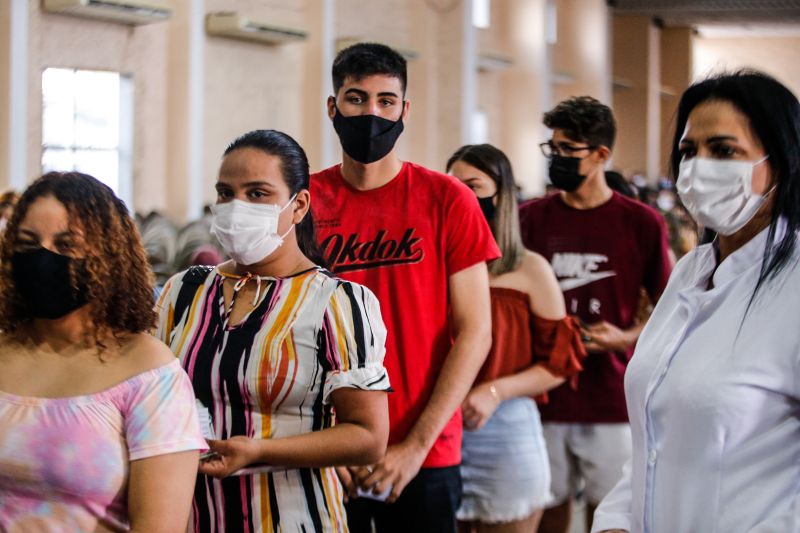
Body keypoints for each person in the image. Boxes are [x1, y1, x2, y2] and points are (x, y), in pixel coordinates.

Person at [593, 70, 800, 533]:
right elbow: (654, 441)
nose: (699, 167)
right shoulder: (690, 271)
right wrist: (617, 520)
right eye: (689, 151)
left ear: (781, 163)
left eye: (724, 151)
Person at [156, 129, 391, 532]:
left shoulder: (338, 302)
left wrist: (260, 450)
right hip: (192, 515)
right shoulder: (186, 290)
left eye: (258, 194)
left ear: (298, 205)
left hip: (291, 516)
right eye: (226, 193)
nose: (236, 208)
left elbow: (368, 436)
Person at [310, 43, 499, 532]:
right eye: (356, 99)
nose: (371, 113)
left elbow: (475, 331)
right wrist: (329, 443)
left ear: (403, 111)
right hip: (329, 451)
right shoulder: (304, 203)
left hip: (426, 450)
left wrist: (415, 445)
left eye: (385, 101)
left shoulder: (448, 200)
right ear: (333, 107)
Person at [0, 171, 205, 532]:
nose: (42, 258)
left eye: (66, 246)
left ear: (108, 259)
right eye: (28, 244)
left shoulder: (150, 373)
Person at [518, 96, 672, 533]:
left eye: (569, 150)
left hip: (609, 394)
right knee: (547, 507)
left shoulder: (641, 222)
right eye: (553, 148)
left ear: (601, 154)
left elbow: (668, 306)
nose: (558, 159)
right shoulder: (530, 218)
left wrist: (624, 337)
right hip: (545, 390)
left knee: (610, 512)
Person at [446, 144, 586, 533]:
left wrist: (495, 392)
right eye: (453, 185)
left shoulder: (530, 269)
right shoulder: (436, 265)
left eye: (473, 186)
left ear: (502, 195)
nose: (462, 196)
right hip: (438, 425)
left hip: (505, 430)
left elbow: (559, 363)